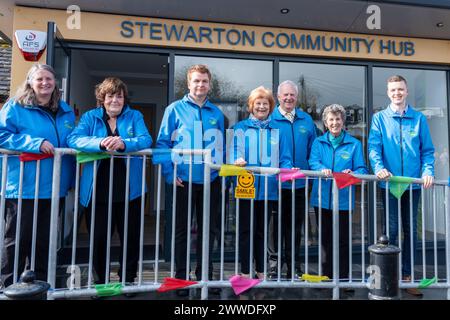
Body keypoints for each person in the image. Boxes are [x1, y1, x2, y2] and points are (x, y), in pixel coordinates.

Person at [67, 77, 152, 285]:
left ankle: (128, 279)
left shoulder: (135, 116)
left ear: (124, 99)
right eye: (111, 96)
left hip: (130, 190)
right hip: (98, 190)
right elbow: (74, 139)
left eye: (119, 96)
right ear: (102, 98)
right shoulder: (90, 117)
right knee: (99, 240)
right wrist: (101, 143)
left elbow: (146, 139)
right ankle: (100, 282)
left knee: (130, 239)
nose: (115, 100)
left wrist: (124, 143)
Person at [0, 64, 75, 287]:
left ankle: (40, 286)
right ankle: (8, 286)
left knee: (45, 242)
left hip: (54, 188)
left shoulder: (65, 110)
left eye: (49, 79)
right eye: (40, 79)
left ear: (55, 83)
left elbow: (69, 144)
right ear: (30, 82)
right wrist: (35, 143)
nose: (45, 83)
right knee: (17, 241)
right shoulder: (16, 106)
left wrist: (70, 179)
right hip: (24, 187)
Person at [155, 64, 224, 295]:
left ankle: (206, 277)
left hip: (211, 180)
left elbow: (221, 147)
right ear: (188, 83)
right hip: (182, 180)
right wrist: (169, 173)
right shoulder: (174, 109)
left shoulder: (216, 113)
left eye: (204, 81)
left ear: (209, 84)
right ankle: (181, 278)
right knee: (182, 231)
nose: (200, 85)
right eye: (196, 81)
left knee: (209, 231)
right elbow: (163, 144)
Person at [368, 75, 434, 297]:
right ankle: (390, 276)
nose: (397, 93)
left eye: (400, 89)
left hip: (413, 184)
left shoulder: (419, 119)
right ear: (388, 93)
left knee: (411, 231)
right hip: (390, 184)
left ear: (406, 92)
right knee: (392, 231)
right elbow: (374, 148)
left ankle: (408, 277)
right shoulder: (379, 118)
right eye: (393, 90)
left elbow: (427, 151)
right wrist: (378, 167)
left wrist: (428, 172)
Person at [230, 86, 288, 279]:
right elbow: (234, 151)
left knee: (262, 232)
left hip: (268, 190)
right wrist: (237, 160)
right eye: (258, 103)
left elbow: (285, 158)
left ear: (270, 106)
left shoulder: (277, 131)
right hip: (246, 187)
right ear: (251, 106)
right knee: (246, 231)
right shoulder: (241, 128)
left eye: (265, 103)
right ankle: (246, 271)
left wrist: (288, 169)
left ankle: (261, 270)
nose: (261, 107)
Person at [309, 104, 367, 280]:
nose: (334, 123)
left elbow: (362, 169)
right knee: (325, 240)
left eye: (338, 119)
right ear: (326, 123)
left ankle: (342, 278)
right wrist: (321, 169)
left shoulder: (354, 144)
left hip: (343, 200)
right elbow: (313, 162)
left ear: (343, 122)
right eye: (331, 120)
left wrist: (353, 174)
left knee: (342, 240)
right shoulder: (318, 142)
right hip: (322, 199)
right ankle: (327, 277)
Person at [269, 80, 317, 280]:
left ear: (297, 97)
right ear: (278, 97)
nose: (289, 98)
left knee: (295, 226)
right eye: (285, 95)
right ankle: (273, 266)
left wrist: (313, 172)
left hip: (299, 183)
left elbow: (313, 151)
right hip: (275, 183)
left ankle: (294, 266)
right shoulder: (270, 119)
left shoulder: (306, 121)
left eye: (292, 95)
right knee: (275, 226)